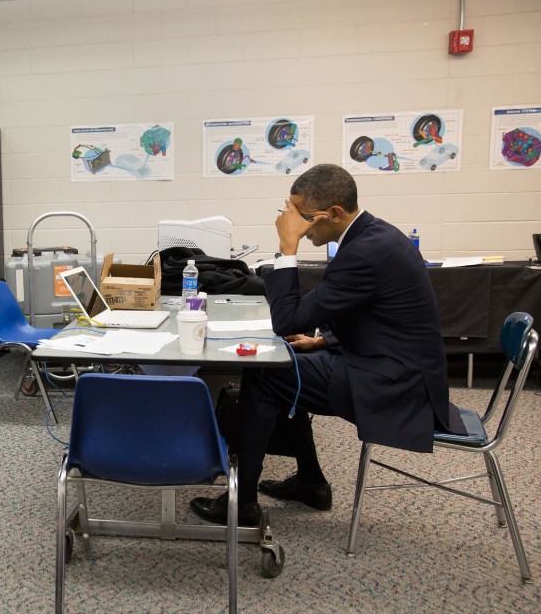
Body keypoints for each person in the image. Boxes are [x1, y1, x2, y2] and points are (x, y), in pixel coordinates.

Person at [190, 163, 466, 526]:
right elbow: (380, 317)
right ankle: (310, 482)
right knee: (286, 367)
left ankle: (241, 503)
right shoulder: (373, 236)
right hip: (395, 365)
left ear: (334, 214)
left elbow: (287, 319)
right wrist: (322, 341)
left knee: (267, 374)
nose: (296, 227)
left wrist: (286, 249)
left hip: (394, 385)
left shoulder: (363, 253)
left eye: (301, 218)